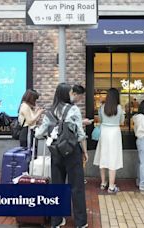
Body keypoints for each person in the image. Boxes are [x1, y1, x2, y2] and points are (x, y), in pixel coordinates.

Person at [35, 83, 88, 228]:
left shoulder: (50, 112)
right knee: (77, 187)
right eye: (71, 92)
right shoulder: (74, 110)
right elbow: (80, 134)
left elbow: (40, 133)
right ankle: (80, 222)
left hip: (56, 153)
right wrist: (84, 151)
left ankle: (56, 221)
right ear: (66, 94)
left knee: (57, 187)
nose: (72, 94)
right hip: (72, 152)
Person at [93, 88, 124, 193]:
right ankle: (111, 186)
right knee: (113, 158)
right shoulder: (119, 108)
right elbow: (122, 121)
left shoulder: (102, 107)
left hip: (104, 132)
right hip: (115, 133)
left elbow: (101, 120)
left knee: (103, 157)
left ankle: (103, 183)